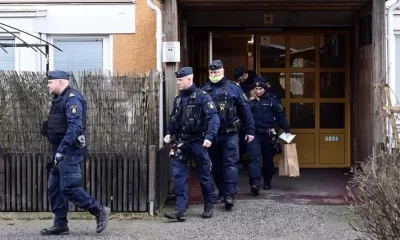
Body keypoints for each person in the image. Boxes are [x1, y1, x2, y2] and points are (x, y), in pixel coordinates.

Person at [41, 70, 110, 235]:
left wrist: (62, 150)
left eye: (50, 82)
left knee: (69, 187)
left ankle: (99, 210)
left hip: (69, 151)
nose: (48, 85)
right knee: (54, 188)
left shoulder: (73, 98)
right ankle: (60, 225)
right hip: (58, 149)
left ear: (60, 82)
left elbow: (75, 128)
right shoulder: (59, 99)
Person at [163, 67, 220, 221]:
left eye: (180, 80)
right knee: (178, 175)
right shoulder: (178, 99)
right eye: (177, 80)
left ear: (189, 79)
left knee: (204, 175)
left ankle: (208, 205)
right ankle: (180, 209)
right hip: (182, 142)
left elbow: (214, 118)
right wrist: (169, 133)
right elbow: (174, 119)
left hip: (198, 142)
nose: (178, 83)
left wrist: (209, 136)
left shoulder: (203, 97)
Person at [201, 60, 255, 210]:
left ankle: (230, 195)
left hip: (230, 134)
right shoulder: (204, 90)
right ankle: (223, 192)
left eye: (216, 72)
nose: (213, 75)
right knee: (216, 166)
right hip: (212, 135)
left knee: (230, 164)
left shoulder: (233, 89)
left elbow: (245, 110)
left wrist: (251, 130)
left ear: (223, 71)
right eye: (211, 72)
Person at [246, 76, 291, 195]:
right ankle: (255, 183)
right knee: (254, 159)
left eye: (260, 88)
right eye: (256, 88)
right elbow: (243, 116)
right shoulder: (249, 100)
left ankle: (267, 181)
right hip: (254, 134)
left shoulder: (272, 99)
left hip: (268, 133)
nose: (258, 91)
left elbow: (280, 115)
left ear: (264, 88)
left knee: (267, 160)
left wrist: (287, 129)